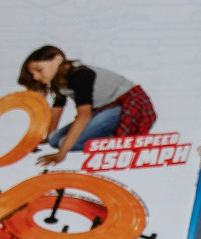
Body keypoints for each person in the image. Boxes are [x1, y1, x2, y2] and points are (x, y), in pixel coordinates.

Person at [19, 46, 156, 167]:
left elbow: (84, 115)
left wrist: (62, 153)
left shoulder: (80, 75)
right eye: (33, 74)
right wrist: (48, 136)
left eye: (39, 70)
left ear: (57, 59)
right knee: (55, 140)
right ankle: (101, 134)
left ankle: (120, 138)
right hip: (102, 109)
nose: (36, 77)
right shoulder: (58, 80)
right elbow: (57, 109)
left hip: (127, 105)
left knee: (68, 143)